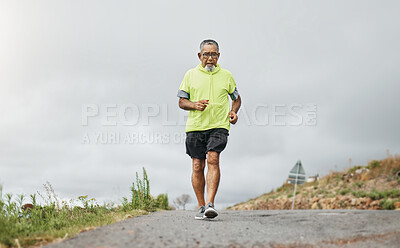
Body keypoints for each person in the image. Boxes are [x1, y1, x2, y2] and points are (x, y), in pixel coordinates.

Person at [177, 39, 241, 220]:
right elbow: (181, 101)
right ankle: (201, 206)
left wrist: (233, 112)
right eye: (206, 54)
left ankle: (210, 204)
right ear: (199, 56)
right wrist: (195, 105)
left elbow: (236, 98)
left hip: (219, 126)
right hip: (196, 127)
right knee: (198, 165)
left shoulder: (227, 75)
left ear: (218, 56)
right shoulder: (190, 75)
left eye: (213, 54)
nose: (210, 58)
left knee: (213, 158)